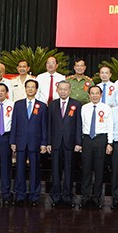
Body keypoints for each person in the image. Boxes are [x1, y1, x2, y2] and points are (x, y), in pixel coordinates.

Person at [11, 79, 48, 206]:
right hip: (20, 141)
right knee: (19, 169)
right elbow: (14, 124)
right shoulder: (18, 104)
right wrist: (13, 141)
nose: (30, 89)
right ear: (25, 89)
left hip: (35, 142)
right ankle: (20, 194)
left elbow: (44, 126)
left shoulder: (42, 106)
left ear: (36, 90)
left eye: (33, 87)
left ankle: (34, 195)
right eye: (28, 87)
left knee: (35, 170)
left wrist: (44, 142)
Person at [47, 80, 83, 208]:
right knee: (55, 170)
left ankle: (68, 195)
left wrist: (79, 142)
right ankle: (55, 195)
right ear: (57, 90)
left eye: (65, 89)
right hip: (55, 142)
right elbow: (49, 125)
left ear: (70, 90)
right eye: (60, 89)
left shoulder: (77, 104)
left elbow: (79, 124)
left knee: (69, 170)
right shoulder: (52, 104)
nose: (63, 91)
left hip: (70, 142)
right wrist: (48, 142)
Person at [79, 85, 113, 209]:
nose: (94, 95)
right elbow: (81, 125)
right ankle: (86, 196)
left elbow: (110, 126)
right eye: (92, 93)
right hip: (87, 139)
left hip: (101, 139)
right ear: (89, 95)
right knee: (86, 169)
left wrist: (109, 143)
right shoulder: (84, 108)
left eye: (97, 93)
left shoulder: (107, 108)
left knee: (99, 170)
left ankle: (97, 197)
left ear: (101, 94)